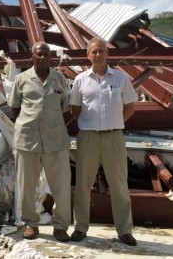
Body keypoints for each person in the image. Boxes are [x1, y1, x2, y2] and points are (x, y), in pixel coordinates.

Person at [69, 36, 138, 246]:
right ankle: (80, 227)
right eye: (93, 52)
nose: (97, 55)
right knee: (83, 184)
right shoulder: (81, 80)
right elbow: (74, 109)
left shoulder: (120, 78)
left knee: (119, 185)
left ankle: (124, 230)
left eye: (101, 51)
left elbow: (130, 106)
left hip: (113, 137)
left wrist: (115, 122)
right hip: (88, 137)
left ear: (107, 54)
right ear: (88, 55)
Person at [8, 41, 72, 242]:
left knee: (60, 186)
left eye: (46, 54)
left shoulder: (60, 79)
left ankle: (60, 226)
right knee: (27, 185)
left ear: (51, 57)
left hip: (55, 141)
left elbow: (65, 107)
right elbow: (15, 109)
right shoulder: (21, 79)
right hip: (28, 140)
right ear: (32, 56)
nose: (42, 57)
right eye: (39, 54)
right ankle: (30, 223)